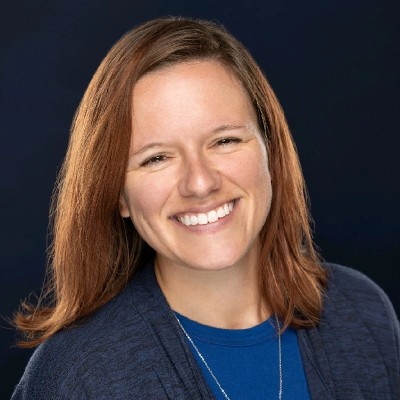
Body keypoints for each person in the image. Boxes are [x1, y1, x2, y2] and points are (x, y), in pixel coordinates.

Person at [11, 17, 399, 400]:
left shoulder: (363, 314)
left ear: (270, 151)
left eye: (225, 141)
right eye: (156, 158)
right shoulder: (76, 375)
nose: (200, 183)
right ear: (118, 195)